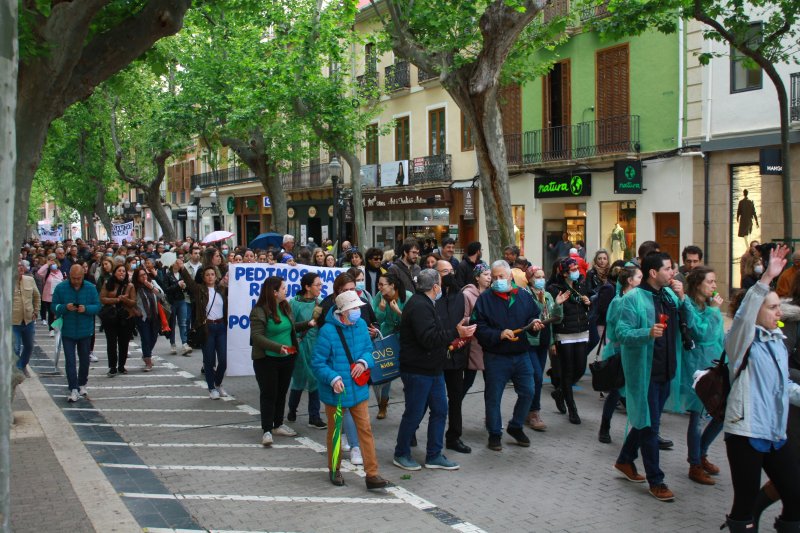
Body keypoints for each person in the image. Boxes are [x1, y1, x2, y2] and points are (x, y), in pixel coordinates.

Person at [722, 245, 800, 532]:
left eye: (779, 305)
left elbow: (784, 386)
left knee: (794, 493)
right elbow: (744, 315)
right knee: (744, 502)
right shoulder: (741, 340)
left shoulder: (777, 341)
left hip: (775, 431)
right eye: (772, 307)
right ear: (756, 311)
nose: (779, 311)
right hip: (746, 432)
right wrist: (766, 278)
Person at [613, 252, 685, 502]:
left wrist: (682, 296)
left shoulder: (668, 296)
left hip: (666, 370)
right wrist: (646, 332)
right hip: (645, 373)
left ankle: (624, 460)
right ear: (653, 273)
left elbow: (686, 321)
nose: (672, 273)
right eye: (668, 269)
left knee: (646, 421)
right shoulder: (632, 299)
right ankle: (657, 480)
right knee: (651, 427)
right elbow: (621, 333)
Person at [392, 269, 476, 471]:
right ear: (435, 287)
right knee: (414, 412)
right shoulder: (420, 306)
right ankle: (401, 453)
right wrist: (456, 332)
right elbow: (429, 338)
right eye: (440, 283)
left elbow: (434, 333)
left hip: (433, 368)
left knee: (440, 410)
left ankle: (434, 454)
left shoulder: (428, 303)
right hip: (418, 370)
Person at [311, 290, 390, 490]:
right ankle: (334, 468)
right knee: (335, 432)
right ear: (344, 311)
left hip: (358, 388)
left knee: (365, 430)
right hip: (336, 392)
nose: (358, 311)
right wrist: (333, 378)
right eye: (354, 308)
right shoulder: (328, 331)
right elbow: (318, 363)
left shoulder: (361, 325)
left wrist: (364, 362)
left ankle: (372, 475)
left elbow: (369, 350)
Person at [474, 260, 544, 451]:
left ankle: (516, 425)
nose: (497, 280)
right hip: (496, 356)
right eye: (494, 277)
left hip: (521, 355)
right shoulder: (485, 299)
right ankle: (494, 433)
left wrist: (535, 324)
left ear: (510, 277)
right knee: (493, 396)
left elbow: (532, 316)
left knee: (528, 391)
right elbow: (478, 328)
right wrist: (498, 334)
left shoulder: (523, 296)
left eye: (501, 277)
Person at [680, 266, 725, 485]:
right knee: (697, 416)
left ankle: (702, 453)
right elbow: (701, 331)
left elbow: (717, 335)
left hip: (715, 362)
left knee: (720, 413)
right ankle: (694, 464)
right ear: (698, 284)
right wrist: (715, 311)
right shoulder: (688, 304)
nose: (714, 286)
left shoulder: (708, 305)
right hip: (696, 364)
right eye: (710, 282)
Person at [251, 276, 308, 444]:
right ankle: (267, 430)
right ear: (274, 292)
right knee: (269, 394)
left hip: (287, 358)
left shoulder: (285, 307)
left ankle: (278, 424)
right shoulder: (259, 311)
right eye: (283, 288)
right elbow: (257, 337)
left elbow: (292, 328)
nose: (286, 291)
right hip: (267, 359)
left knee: (282, 392)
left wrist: (309, 324)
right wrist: (278, 347)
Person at [598, 264, 642, 443]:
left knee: (637, 393)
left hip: (635, 352)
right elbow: (616, 330)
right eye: (639, 277)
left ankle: (645, 429)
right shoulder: (618, 301)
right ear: (630, 281)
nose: (642, 280)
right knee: (616, 392)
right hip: (620, 352)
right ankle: (604, 426)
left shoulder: (639, 299)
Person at [548, 257, 591, 424]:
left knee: (580, 368)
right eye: (573, 270)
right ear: (565, 273)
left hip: (581, 332)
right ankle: (572, 408)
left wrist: (588, 303)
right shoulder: (554, 288)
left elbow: (586, 306)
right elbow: (551, 312)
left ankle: (559, 392)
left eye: (577, 269)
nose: (576, 272)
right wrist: (558, 303)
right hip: (565, 333)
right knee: (568, 370)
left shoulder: (581, 285)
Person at [435, 260, 472, 454]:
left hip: (457, 357)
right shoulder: (431, 297)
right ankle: (414, 432)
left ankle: (454, 436)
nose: (449, 275)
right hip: (436, 357)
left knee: (455, 399)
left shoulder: (459, 296)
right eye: (444, 271)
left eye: (451, 271)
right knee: (431, 400)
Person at [525, 266, 567, 431]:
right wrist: (540, 301)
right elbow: (534, 316)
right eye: (537, 276)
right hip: (529, 342)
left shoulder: (548, 295)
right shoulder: (525, 294)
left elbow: (555, 319)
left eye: (543, 276)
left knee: (537, 378)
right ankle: (534, 412)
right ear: (530, 278)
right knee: (536, 377)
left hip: (543, 342)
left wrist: (557, 305)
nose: (541, 279)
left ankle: (527, 410)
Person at [52, 264, 101, 402]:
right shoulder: (61, 288)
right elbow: (53, 306)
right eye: (73, 278)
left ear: (83, 276)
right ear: (69, 276)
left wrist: (86, 309)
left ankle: (82, 384)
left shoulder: (91, 288)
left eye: (79, 278)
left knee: (85, 360)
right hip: (68, 330)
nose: (76, 281)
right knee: (70, 361)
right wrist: (64, 307)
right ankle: (73, 388)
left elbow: (97, 306)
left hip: (85, 330)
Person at [183, 265, 229, 398]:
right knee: (209, 360)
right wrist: (182, 269)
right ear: (203, 277)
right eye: (207, 275)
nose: (210, 277)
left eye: (212, 274)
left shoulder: (222, 290)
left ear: (216, 276)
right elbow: (190, 283)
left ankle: (218, 383)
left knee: (223, 360)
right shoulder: (199, 290)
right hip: (207, 328)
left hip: (221, 327)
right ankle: (211, 388)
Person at [287, 273, 326, 429]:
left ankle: (314, 416)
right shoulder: (294, 303)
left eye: (321, 284)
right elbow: (291, 326)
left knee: (314, 379)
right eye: (317, 285)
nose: (320, 288)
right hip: (301, 345)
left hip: (316, 345)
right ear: (307, 287)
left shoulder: (320, 302)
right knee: (300, 379)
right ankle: (292, 409)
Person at [371, 272, 411, 419]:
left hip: (404, 338)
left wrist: (399, 312)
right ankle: (383, 404)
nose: (379, 287)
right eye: (378, 284)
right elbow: (374, 319)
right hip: (386, 335)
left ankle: (410, 406)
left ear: (392, 285)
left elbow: (412, 319)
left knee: (406, 372)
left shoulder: (406, 296)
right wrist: (381, 311)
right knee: (386, 370)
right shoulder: (378, 298)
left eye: (382, 284)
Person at [99, 264, 137, 376]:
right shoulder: (108, 283)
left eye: (124, 271)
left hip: (125, 317)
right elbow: (102, 299)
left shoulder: (130, 286)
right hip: (110, 317)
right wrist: (116, 300)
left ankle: (121, 366)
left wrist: (125, 300)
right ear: (115, 272)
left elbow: (133, 302)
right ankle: (112, 367)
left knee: (124, 343)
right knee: (111, 343)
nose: (122, 273)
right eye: (119, 271)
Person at [461, 262, 491, 395]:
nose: (489, 277)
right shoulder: (467, 294)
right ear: (477, 277)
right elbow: (462, 319)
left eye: (490, 275)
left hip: (489, 342)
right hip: (473, 343)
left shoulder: (492, 294)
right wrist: (477, 320)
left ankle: (490, 415)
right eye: (485, 274)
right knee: (468, 380)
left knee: (491, 382)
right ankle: (453, 408)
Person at [13, 260, 41, 377]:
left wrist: (36, 311)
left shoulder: (29, 279)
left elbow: (36, 296)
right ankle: (15, 370)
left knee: (29, 346)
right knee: (15, 347)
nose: (20, 268)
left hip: (28, 320)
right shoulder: (6, 282)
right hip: (13, 321)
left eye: (21, 266)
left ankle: (21, 365)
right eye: (17, 266)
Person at [158, 258, 192, 355]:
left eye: (180, 263)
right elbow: (166, 289)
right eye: (176, 263)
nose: (178, 265)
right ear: (172, 264)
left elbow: (188, 286)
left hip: (182, 300)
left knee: (183, 322)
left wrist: (185, 287)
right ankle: (172, 343)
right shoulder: (167, 275)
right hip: (172, 302)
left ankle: (184, 343)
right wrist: (177, 285)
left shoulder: (183, 274)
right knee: (172, 323)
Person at [131, 267, 162, 372]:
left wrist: (152, 287)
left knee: (153, 338)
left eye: (144, 274)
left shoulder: (152, 282)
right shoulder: (134, 287)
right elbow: (131, 301)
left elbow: (161, 294)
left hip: (154, 316)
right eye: (141, 275)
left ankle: (146, 354)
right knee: (145, 338)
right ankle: (148, 361)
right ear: (137, 277)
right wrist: (135, 310)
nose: (144, 277)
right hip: (142, 317)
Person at [37, 254, 64, 336]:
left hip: (59, 296)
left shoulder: (60, 273)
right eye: (52, 265)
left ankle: (57, 326)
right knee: (51, 313)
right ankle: (51, 329)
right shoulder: (47, 272)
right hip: (49, 297)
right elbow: (39, 272)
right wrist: (47, 264)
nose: (53, 266)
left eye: (54, 264)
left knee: (59, 313)